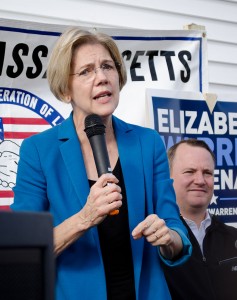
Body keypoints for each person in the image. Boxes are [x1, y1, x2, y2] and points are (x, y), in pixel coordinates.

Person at [11, 27, 192, 300]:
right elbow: (22, 247)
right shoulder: (38, 151)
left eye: (108, 66)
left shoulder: (148, 142)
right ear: (65, 90)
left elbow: (175, 232)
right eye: (86, 71)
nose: (102, 77)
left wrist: (168, 238)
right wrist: (85, 217)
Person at [162, 138, 237, 300]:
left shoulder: (233, 237)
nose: (200, 181)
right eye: (189, 171)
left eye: (207, 173)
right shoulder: (156, 240)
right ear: (168, 179)